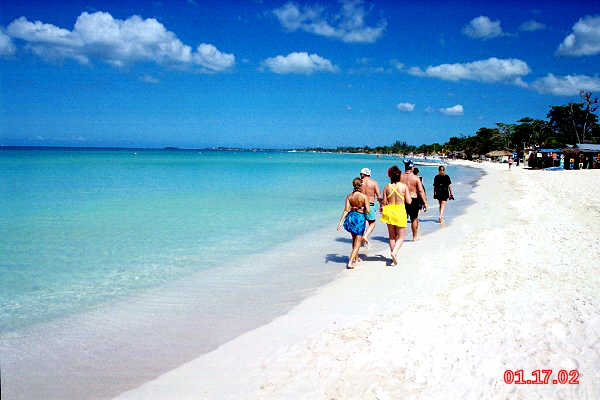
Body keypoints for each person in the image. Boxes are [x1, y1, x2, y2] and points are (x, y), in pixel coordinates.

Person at [381, 165, 412, 265]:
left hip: (389, 210)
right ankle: (394, 253)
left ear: (390, 175)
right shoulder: (404, 186)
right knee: (401, 237)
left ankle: (393, 255)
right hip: (400, 210)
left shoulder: (386, 187)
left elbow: (384, 202)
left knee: (392, 236)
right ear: (399, 176)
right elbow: (409, 201)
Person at [337, 177, 370, 269]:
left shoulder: (349, 196)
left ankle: (356, 257)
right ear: (360, 186)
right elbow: (368, 210)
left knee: (354, 238)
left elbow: (346, 210)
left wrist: (340, 222)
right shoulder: (364, 197)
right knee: (358, 242)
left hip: (351, 217)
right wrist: (362, 208)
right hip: (359, 218)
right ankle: (350, 262)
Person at [400, 160, 428, 241]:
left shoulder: (400, 177)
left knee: (402, 219)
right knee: (414, 219)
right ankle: (414, 237)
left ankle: (400, 237)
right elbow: (420, 191)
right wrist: (425, 202)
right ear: (412, 168)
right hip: (413, 200)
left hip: (402, 200)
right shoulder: (416, 178)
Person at [359, 167, 382, 248]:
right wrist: (381, 205)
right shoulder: (374, 183)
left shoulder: (359, 183)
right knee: (372, 223)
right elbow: (379, 196)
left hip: (360, 206)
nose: (360, 175)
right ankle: (365, 236)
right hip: (370, 205)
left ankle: (360, 242)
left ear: (363, 174)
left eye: (360, 174)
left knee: (361, 224)